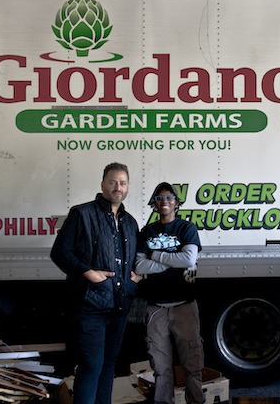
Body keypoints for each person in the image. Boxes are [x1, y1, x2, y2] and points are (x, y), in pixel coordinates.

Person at [51, 162, 141, 404]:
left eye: (122, 183)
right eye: (112, 182)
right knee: (92, 365)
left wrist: (139, 275)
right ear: (103, 184)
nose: (117, 187)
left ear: (128, 186)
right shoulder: (82, 214)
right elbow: (60, 252)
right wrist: (87, 272)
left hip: (119, 307)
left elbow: (138, 256)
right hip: (90, 306)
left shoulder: (130, 222)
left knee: (109, 366)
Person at [135, 182, 204, 404]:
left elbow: (189, 260)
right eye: (159, 199)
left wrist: (157, 255)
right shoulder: (148, 231)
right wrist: (172, 262)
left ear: (176, 203)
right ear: (155, 204)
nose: (164, 202)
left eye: (169, 198)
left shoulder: (186, 229)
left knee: (192, 365)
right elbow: (139, 267)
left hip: (185, 305)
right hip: (156, 307)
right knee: (161, 368)